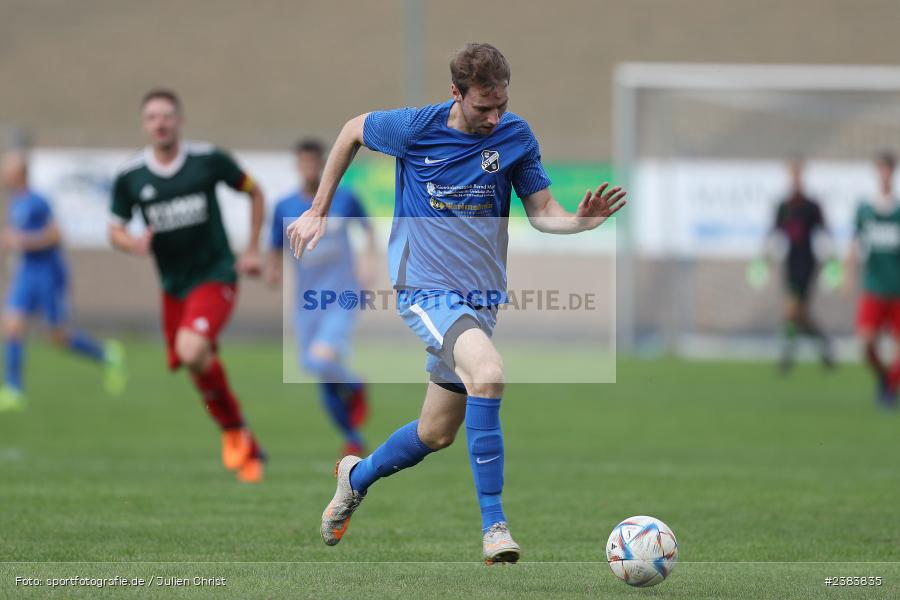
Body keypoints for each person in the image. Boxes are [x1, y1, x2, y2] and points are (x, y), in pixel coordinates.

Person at [287, 43, 626, 563]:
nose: (493, 118)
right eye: (482, 108)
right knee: (488, 372)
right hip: (423, 287)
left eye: (501, 106)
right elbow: (352, 129)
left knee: (436, 432)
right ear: (456, 94)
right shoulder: (415, 127)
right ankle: (495, 527)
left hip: (480, 300)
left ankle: (356, 476)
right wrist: (318, 210)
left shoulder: (516, 136)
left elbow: (542, 211)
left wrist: (579, 222)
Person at [108, 89, 267, 481]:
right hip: (174, 288)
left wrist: (250, 249)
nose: (160, 123)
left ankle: (232, 431)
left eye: (166, 116)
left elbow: (254, 191)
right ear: (145, 125)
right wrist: (133, 242)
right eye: (152, 118)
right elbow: (114, 230)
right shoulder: (131, 177)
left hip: (215, 275)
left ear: (179, 120)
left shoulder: (207, 161)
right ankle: (246, 441)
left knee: (192, 349)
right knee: (194, 364)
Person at [268, 138, 374, 456]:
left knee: (320, 359)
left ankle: (355, 385)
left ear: (324, 164)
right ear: (297, 166)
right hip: (307, 302)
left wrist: (368, 263)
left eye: (315, 162)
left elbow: (367, 230)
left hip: (342, 296)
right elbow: (275, 246)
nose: (309, 168)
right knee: (316, 370)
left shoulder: (345, 200)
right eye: (304, 163)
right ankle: (352, 435)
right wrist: (273, 270)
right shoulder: (285, 206)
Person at [0, 151, 126, 412]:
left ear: (18, 174)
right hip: (27, 272)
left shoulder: (37, 201)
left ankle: (106, 355)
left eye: (6, 169)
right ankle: (13, 390)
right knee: (11, 325)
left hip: (47, 272)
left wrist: (22, 240)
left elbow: (56, 234)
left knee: (58, 336)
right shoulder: (16, 202)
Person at [845, 150, 900, 409]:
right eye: (880, 169)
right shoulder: (865, 209)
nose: (884, 174)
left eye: (888, 169)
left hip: (898, 288)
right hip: (875, 287)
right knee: (865, 344)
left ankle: (890, 388)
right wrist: (848, 273)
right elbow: (854, 244)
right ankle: (885, 379)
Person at [768, 158, 833, 371]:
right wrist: (764, 260)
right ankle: (824, 348)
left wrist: (832, 263)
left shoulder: (811, 206)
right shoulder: (783, 206)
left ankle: (786, 357)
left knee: (792, 311)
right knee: (800, 315)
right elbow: (774, 235)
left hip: (807, 263)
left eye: (798, 174)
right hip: (790, 263)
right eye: (792, 174)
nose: (795, 178)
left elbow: (824, 234)